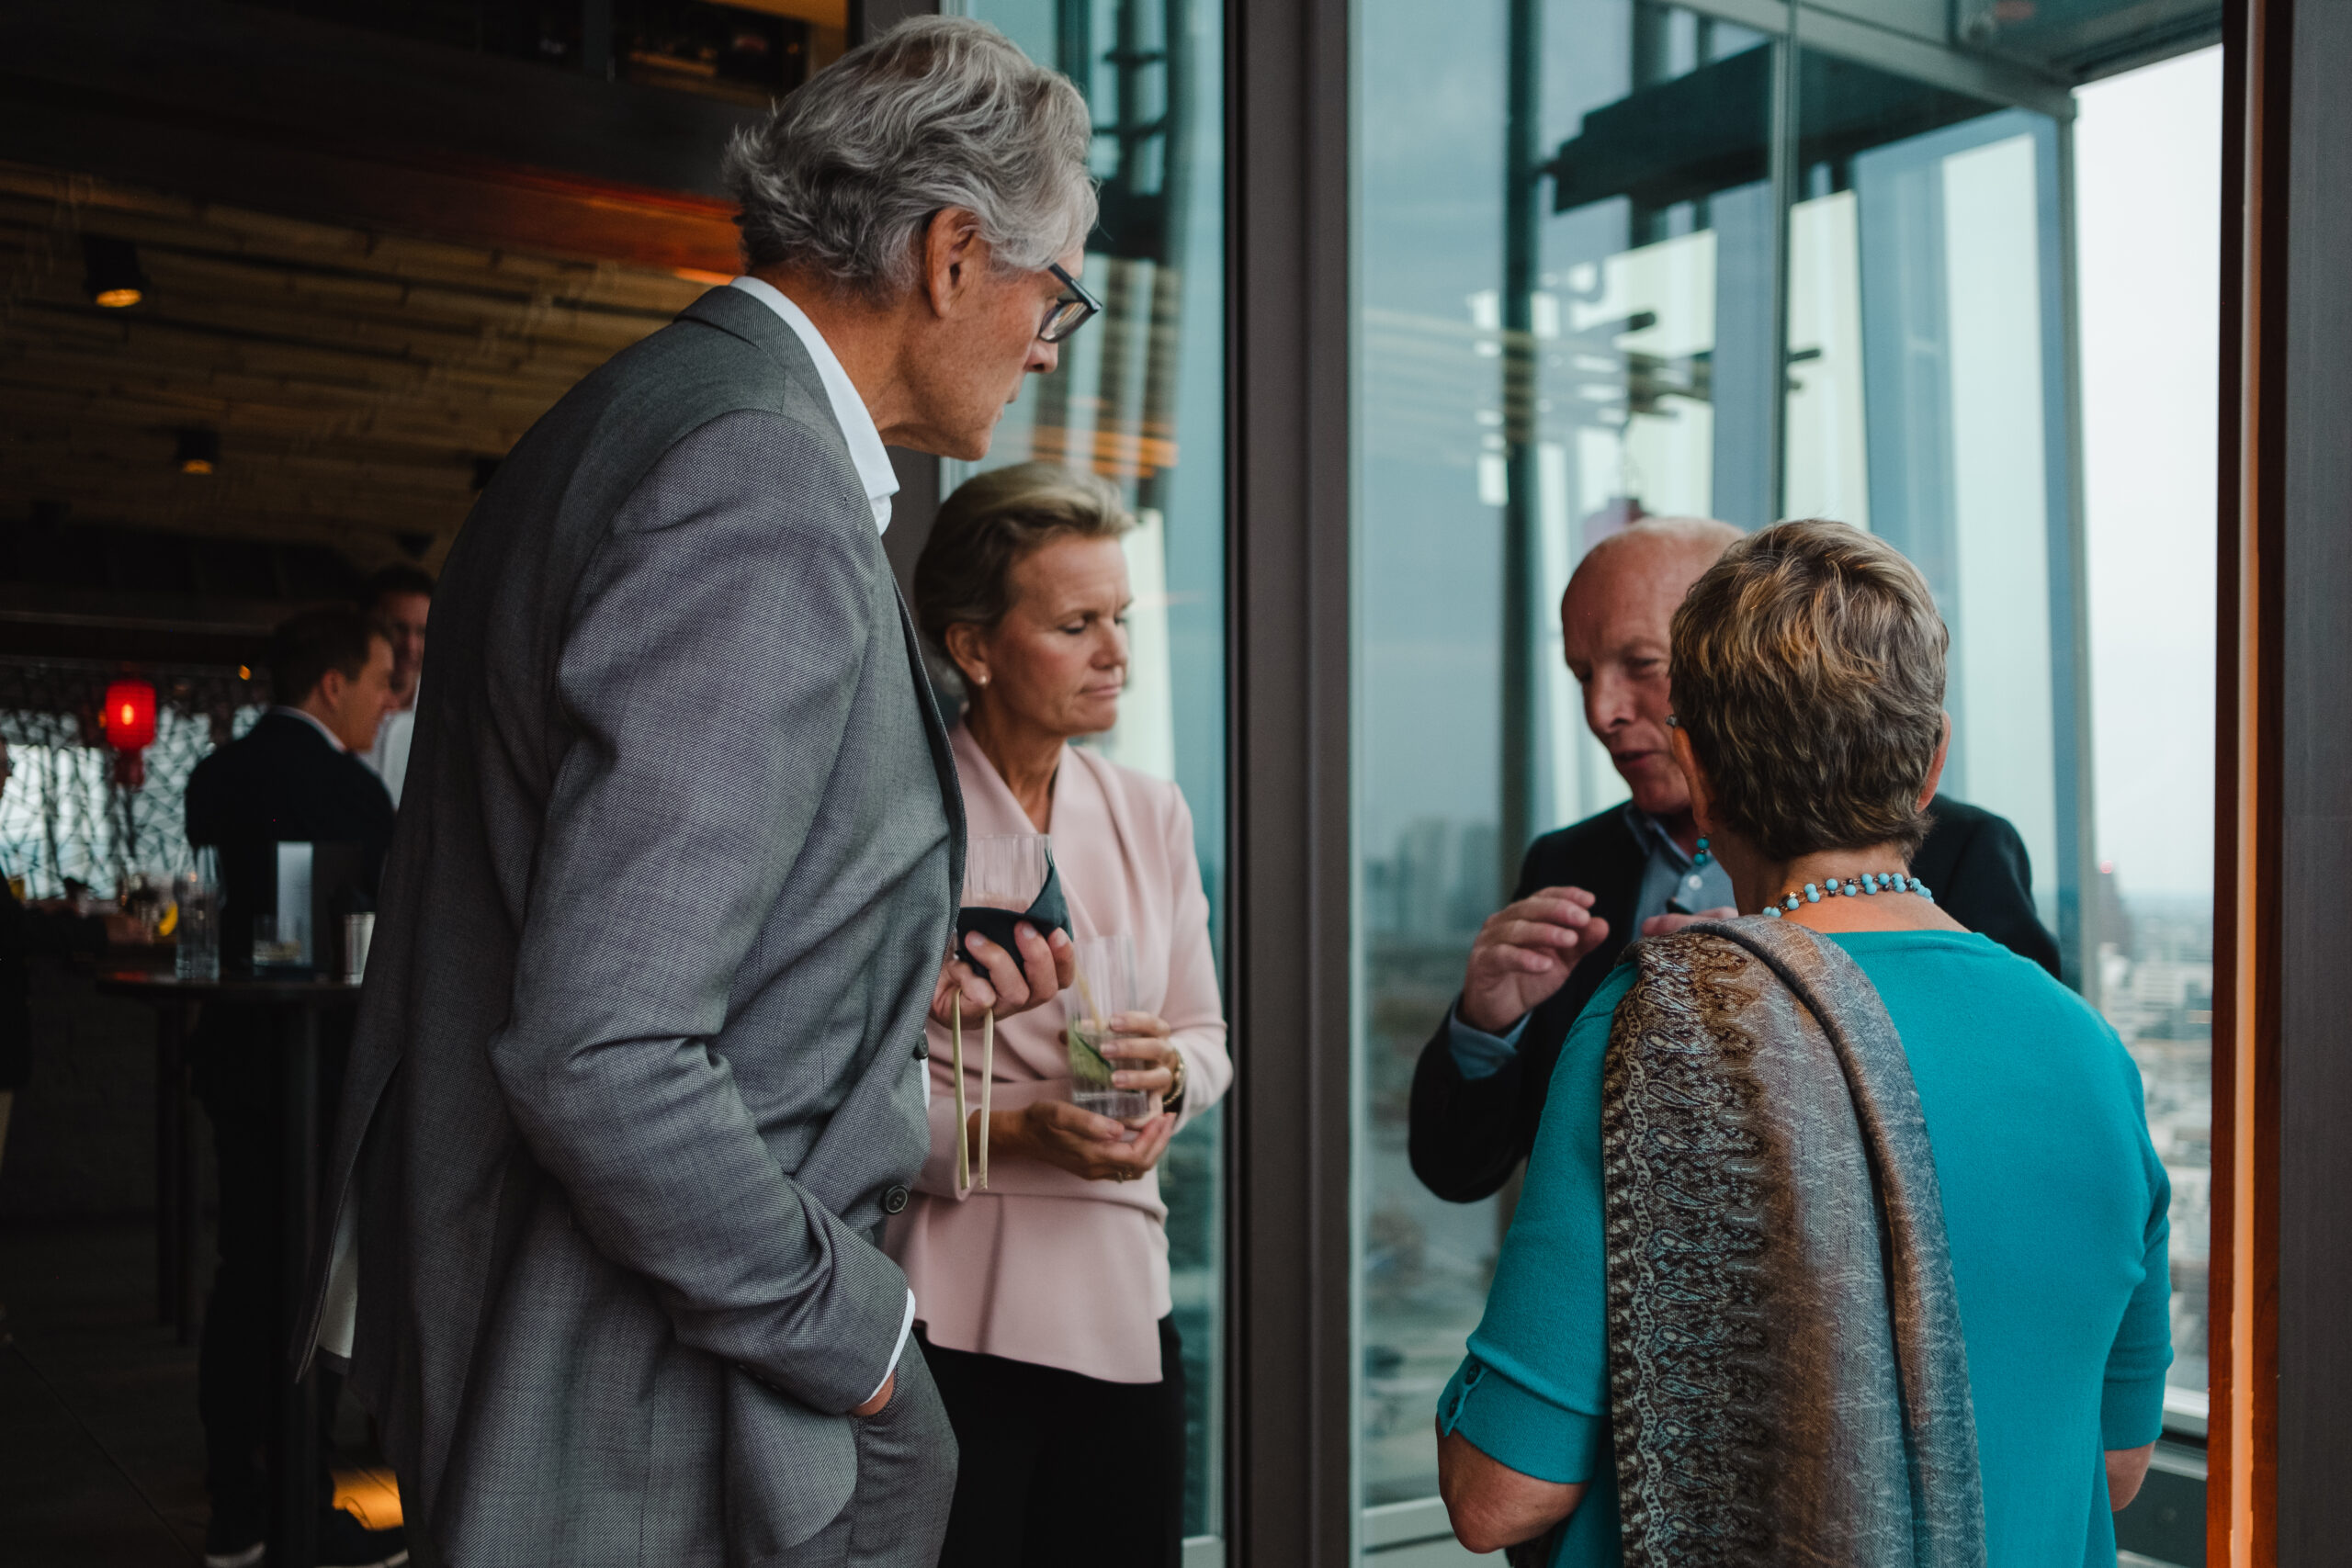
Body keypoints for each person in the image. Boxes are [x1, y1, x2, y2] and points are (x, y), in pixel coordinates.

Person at [294, 20, 1093, 1568]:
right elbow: (603, 1047)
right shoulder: (759, 480)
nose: (1051, 339)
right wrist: (864, 1338)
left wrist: (874, 964)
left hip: (553, 1322)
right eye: (1050, 287)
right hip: (648, 1387)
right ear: (946, 254)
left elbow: (602, 898)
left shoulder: (627, 416)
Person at [1433, 519, 2171, 1566]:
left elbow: (1497, 1496)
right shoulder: (2092, 1053)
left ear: (1706, 768)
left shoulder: (1663, 1026)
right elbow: (2114, 1463)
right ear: (1928, 764)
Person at [1408, 516, 2063, 1204]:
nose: (1602, 711)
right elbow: (1457, 1169)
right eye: (1581, 674)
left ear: (1738, 655)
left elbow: (2021, 1132)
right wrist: (1486, 1028)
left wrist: (1780, 999)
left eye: (1641, 664)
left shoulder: (1956, 854)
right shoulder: (1565, 864)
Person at [888, 463, 1232, 1568]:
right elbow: (847, 1096)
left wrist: (1166, 1076)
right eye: (1076, 624)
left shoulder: (1150, 811)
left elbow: (1206, 1041)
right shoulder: (898, 821)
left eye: (1120, 618)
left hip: (1123, 1299)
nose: (1116, 652)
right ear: (973, 647)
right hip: (947, 1305)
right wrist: (1019, 1130)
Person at [184, 605, 401, 1568]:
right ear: (332, 685)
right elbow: (389, 939)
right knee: (309, 1290)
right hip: (322, 1070)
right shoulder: (354, 794)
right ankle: (307, 1508)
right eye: (382, 680)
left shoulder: (214, 778)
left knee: (243, 1281)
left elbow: (208, 926)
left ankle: (237, 1510)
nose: (389, 702)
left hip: (234, 1061)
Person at [356, 564, 432, 807]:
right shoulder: (339, 707)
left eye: (422, 632)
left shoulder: (447, 713)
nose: (410, 646)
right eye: (398, 628)